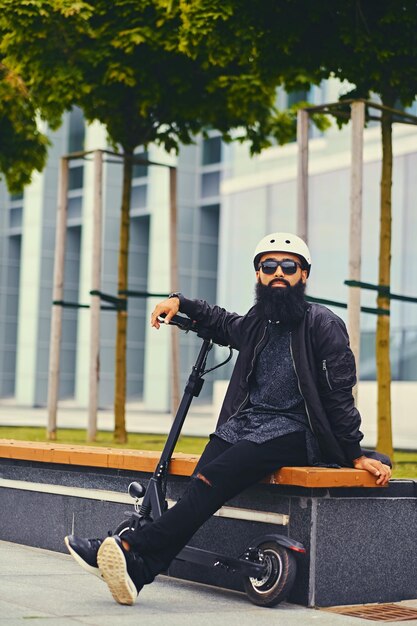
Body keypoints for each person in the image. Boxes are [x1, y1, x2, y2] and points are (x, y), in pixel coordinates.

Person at [65, 231, 392, 606]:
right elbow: (223, 323)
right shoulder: (258, 321)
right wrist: (180, 301)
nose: (278, 273)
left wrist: (353, 452)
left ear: (304, 275)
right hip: (247, 425)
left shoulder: (322, 324)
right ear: (258, 275)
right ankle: (138, 572)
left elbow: (339, 395)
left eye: (289, 266)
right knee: (198, 490)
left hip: (298, 432)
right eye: (269, 266)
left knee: (211, 480)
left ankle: (126, 545)